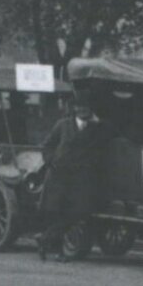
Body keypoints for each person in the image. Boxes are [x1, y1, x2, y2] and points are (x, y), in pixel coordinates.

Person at [34, 98, 107, 261]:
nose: (83, 110)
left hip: (80, 179)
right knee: (58, 213)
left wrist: (97, 121)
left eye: (87, 107)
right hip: (59, 176)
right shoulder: (63, 125)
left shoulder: (96, 128)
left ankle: (45, 238)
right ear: (74, 109)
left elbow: (108, 132)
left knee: (78, 213)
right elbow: (47, 145)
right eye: (80, 106)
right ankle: (58, 251)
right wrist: (51, 161)